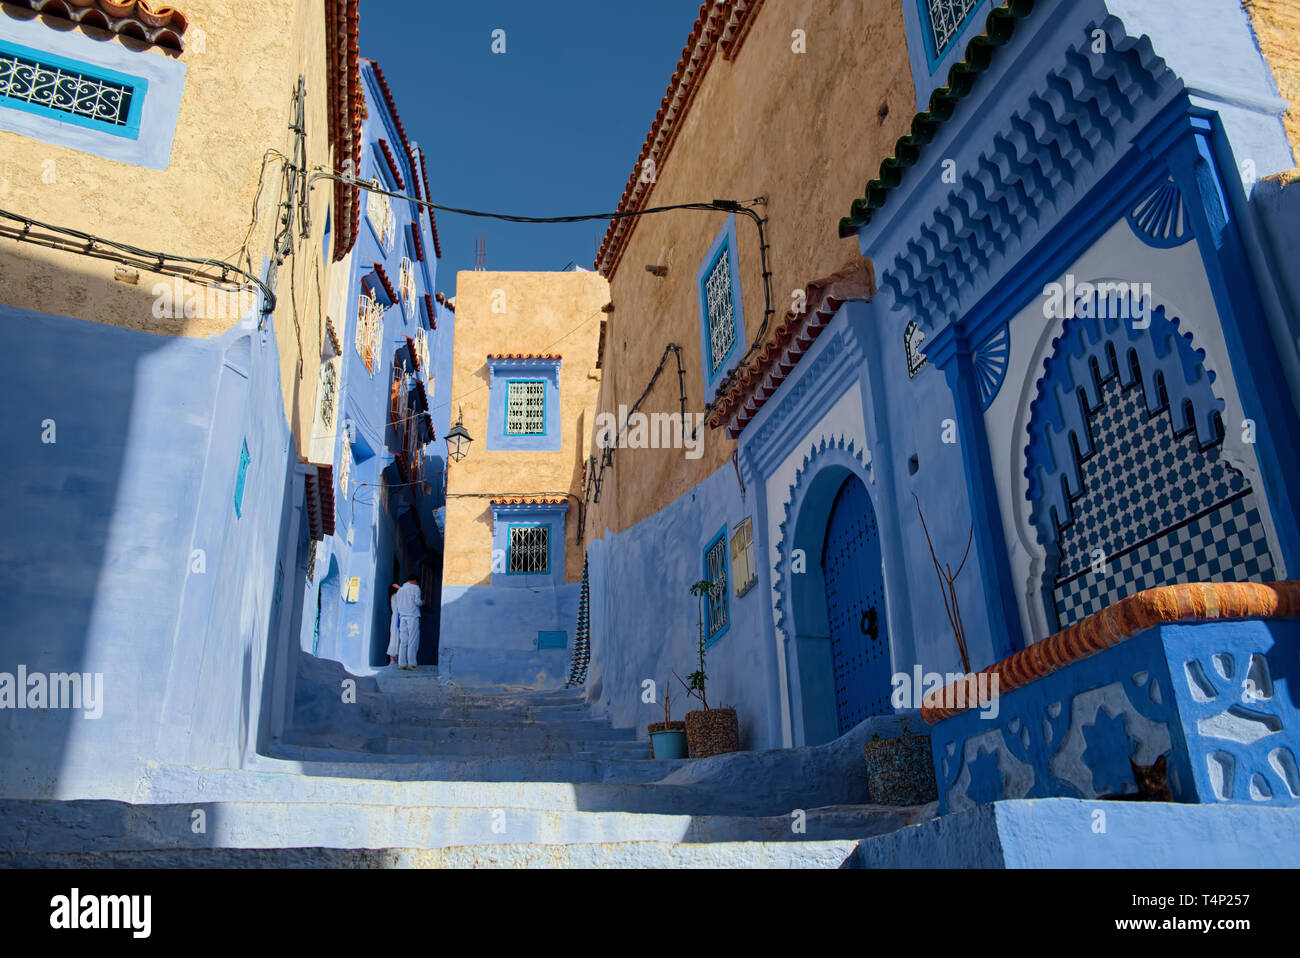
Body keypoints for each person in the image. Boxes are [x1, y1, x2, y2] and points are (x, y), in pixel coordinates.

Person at [393, 575, 422, 670]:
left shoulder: (400, 590)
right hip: (412, 616)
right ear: (414, 581)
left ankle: (401, 664)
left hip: (402, 616)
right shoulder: (415, 588)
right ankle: (412, 663)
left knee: (403, 641)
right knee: (412, 640)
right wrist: (423, 602)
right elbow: (417, 602)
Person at [386, 583, 401, 665]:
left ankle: (394, 658)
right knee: (396, 638)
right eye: (397, 586)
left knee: (396, 638)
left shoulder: (393, 597)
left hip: (396, 618)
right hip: (397, 618)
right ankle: (394, 658)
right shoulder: (395, 596)